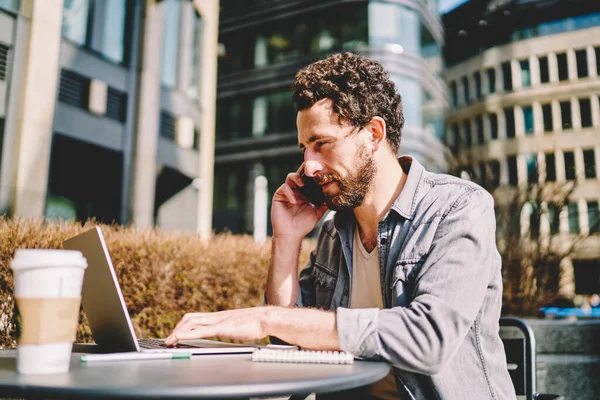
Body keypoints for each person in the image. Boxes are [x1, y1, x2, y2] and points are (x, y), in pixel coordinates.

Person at [165, 52, 516, 400]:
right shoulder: (336, 231)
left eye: (322, 144)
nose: (309, 166)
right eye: (305, 149)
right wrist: (286, 240)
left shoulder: (458, 208)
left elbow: (428, 339)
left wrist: (265, 319)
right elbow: (289, 340)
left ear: (374, 134)